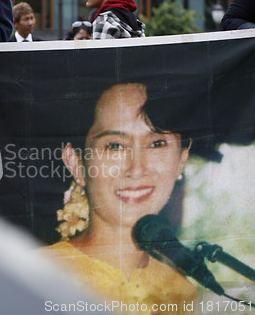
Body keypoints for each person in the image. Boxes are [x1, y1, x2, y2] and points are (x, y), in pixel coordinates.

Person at [41, 83, 196, 314]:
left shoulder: (180, 291)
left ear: (181, 160)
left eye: (156, 144)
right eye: (115, 146)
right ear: (77, 164)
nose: (136, 169)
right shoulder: (35, 275)